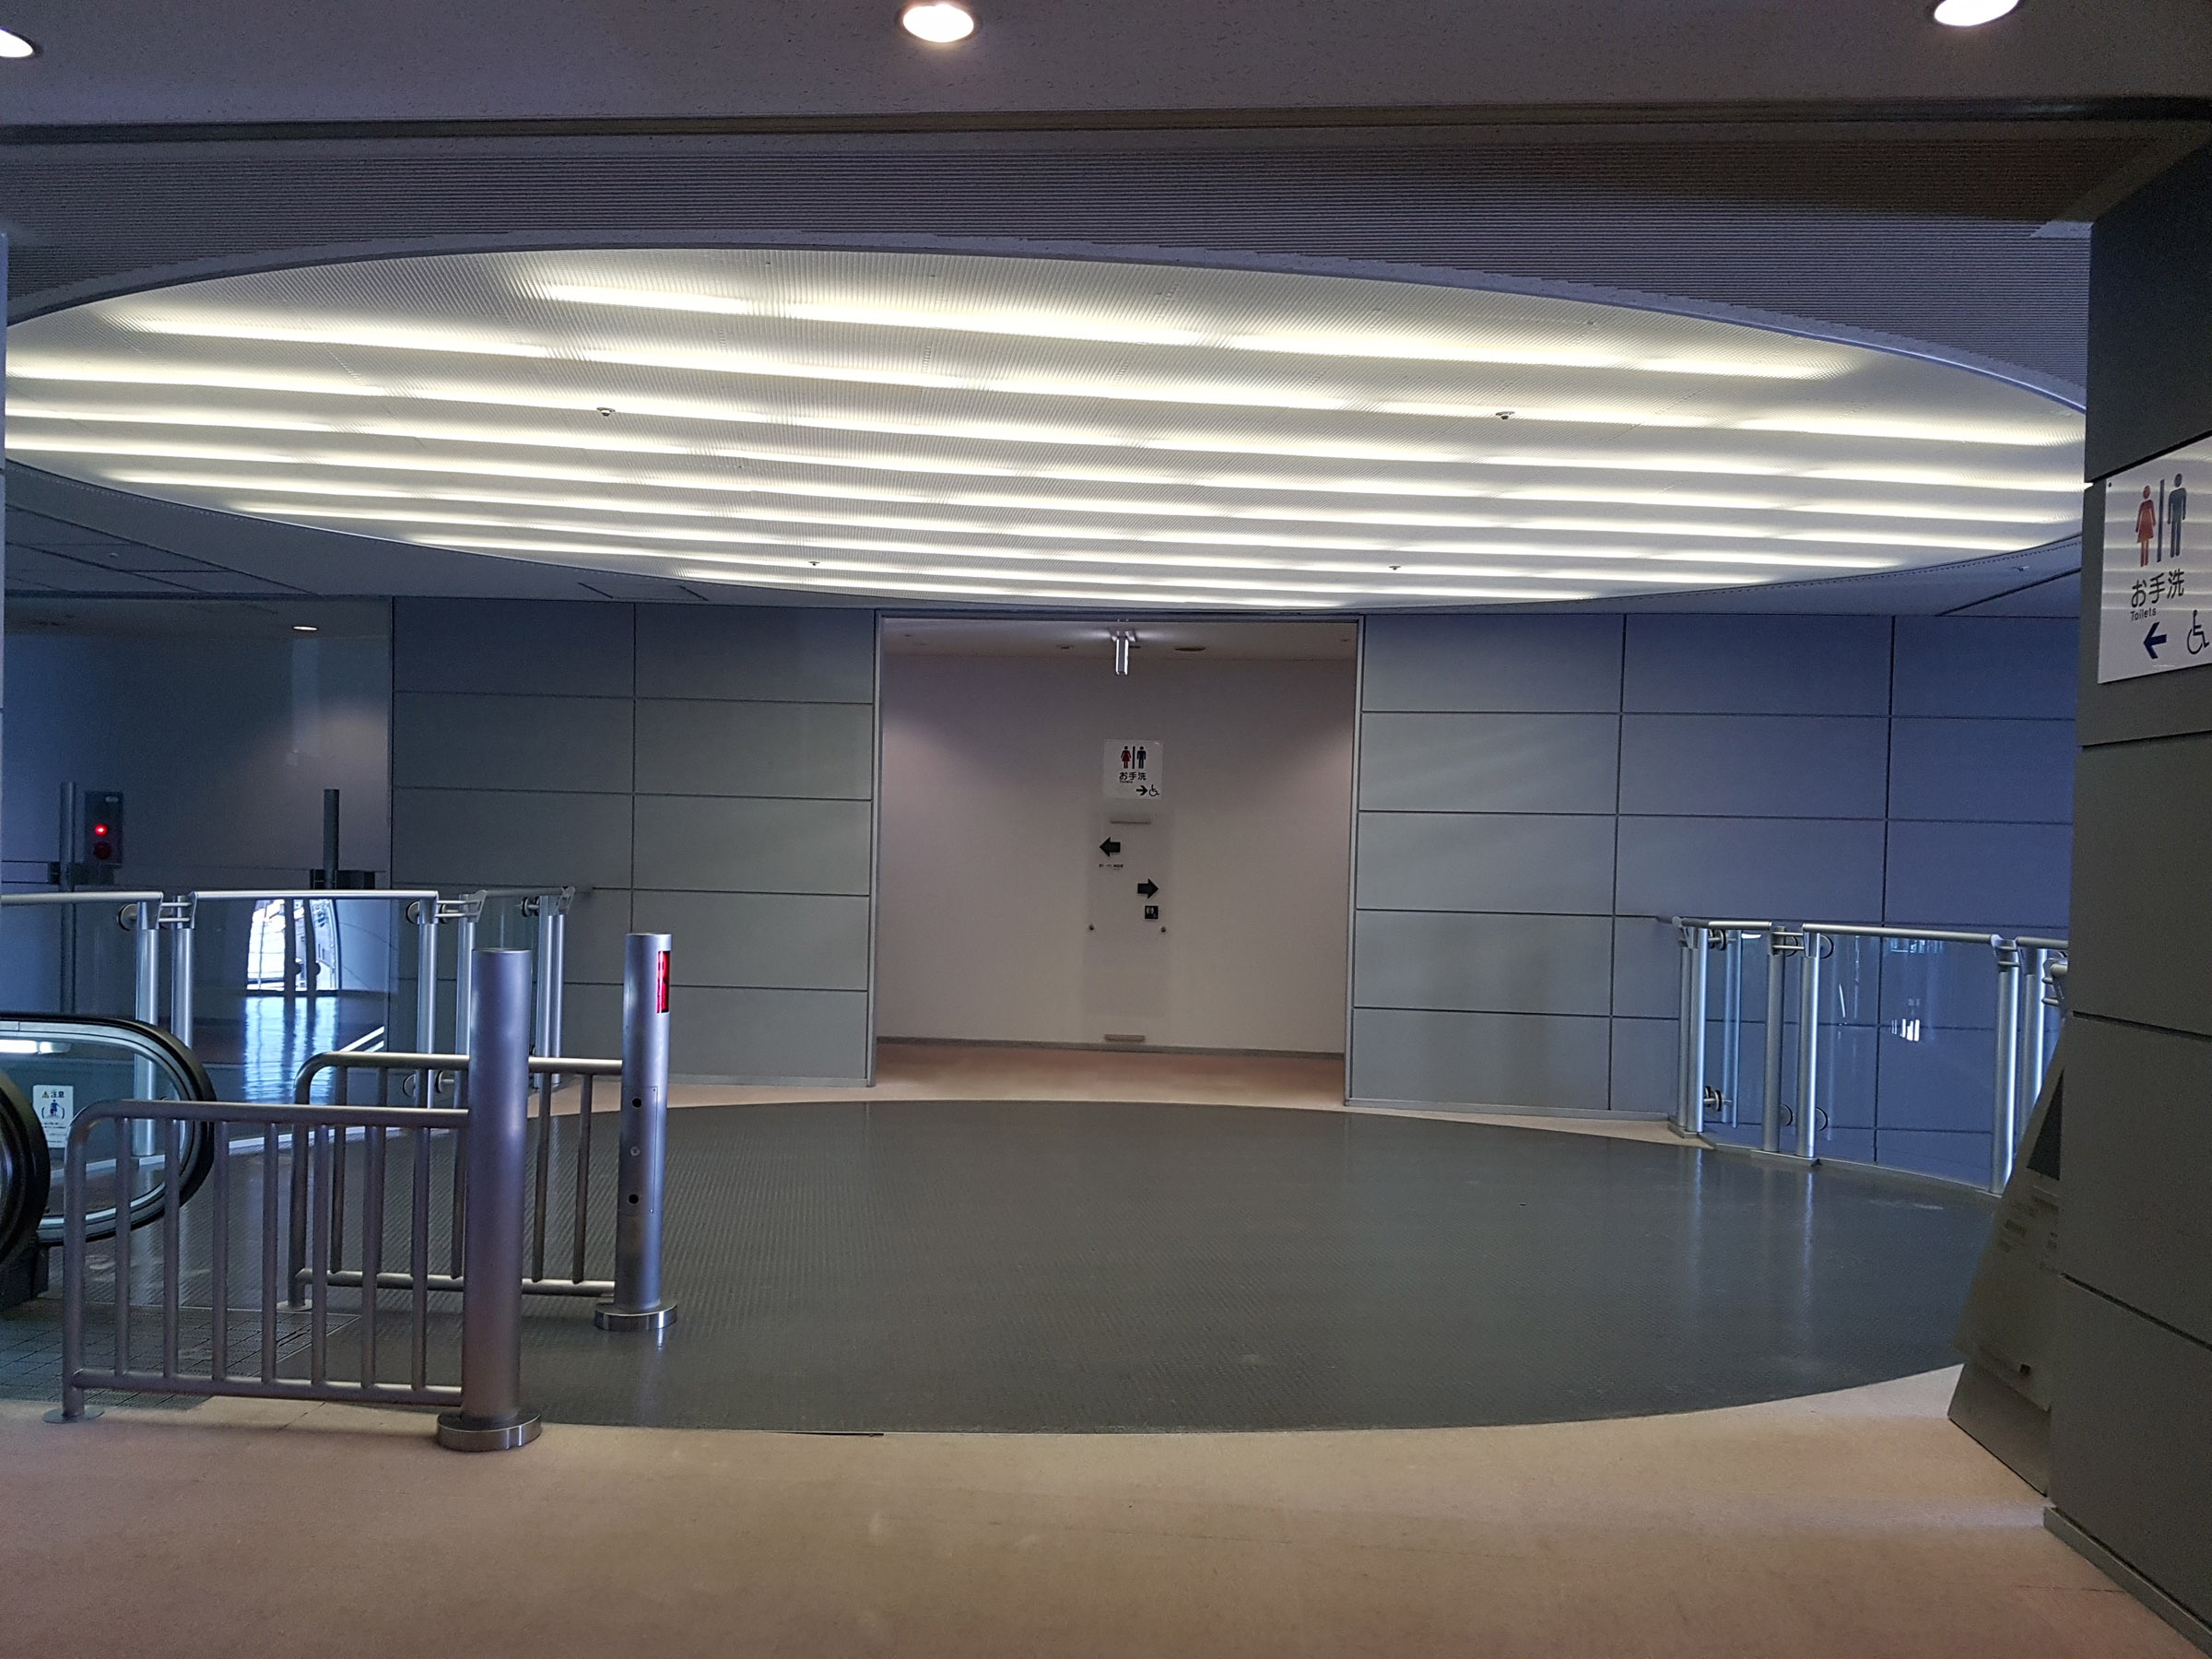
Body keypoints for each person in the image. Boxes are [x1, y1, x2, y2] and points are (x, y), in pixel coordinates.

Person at [2171, 474, 2189, 564]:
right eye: (2176, 480)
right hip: (2174, 514)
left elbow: (2184, 504)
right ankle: (2172, 551)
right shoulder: (2172, 493)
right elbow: (2169, 506)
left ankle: (2177, 551)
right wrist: (2169, 518)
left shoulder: (2183, 491)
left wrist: (2184, 514)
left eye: (2178, 480)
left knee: (2178, 532)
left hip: (2179, 514)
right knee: (2173, 533)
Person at [2138, 484, 2159, 565]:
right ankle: (2142, 561)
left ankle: (2146, 561)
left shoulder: (2150, 502)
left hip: (2148, 523)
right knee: (2143, 543)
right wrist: (2137, 526)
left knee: (2147, 542)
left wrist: (2154, 521)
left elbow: (2152, 512)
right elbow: (2139, 515)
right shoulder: (2142, 505)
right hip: (2143, 524)